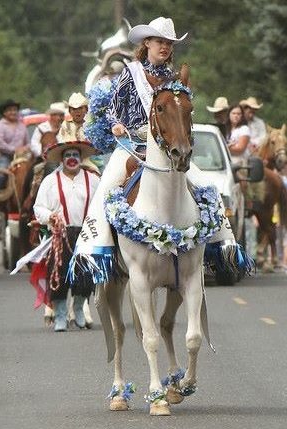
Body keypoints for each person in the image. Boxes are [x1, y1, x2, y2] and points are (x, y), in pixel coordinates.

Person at [70, 16, 245, 285]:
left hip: (167, 147)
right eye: (159, 41)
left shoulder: (175, 79)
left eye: (169, 43)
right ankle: (94, 250)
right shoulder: (131, 73)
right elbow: (115, 108)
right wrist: (116, 124)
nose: (164, 47)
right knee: (107, 186)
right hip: (133, 144)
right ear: (147, 43)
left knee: (206, 186)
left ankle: (222, 248)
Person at [33, 135, 100, 332]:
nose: (72, 158)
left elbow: (102, 205)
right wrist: (50, 216)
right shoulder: (50, 181)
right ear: (62, 160)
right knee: (59, 275)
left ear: (81, 158)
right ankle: (61, 315)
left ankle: (78, 309)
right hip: (60, 235)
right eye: (68, 155)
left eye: (75, 155)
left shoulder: (93, 180)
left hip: (86, 234)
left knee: (85, 275)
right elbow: (39, 208)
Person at [0, 99, 29, 168]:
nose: (13, 112)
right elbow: (0, 144)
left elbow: (27, 142)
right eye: (10, 110)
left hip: (21, 156)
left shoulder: (22, 125)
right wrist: (15, 150)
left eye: (15, 110)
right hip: (4, 156)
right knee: (2, 172)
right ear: (4, 113)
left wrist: (25, 148)